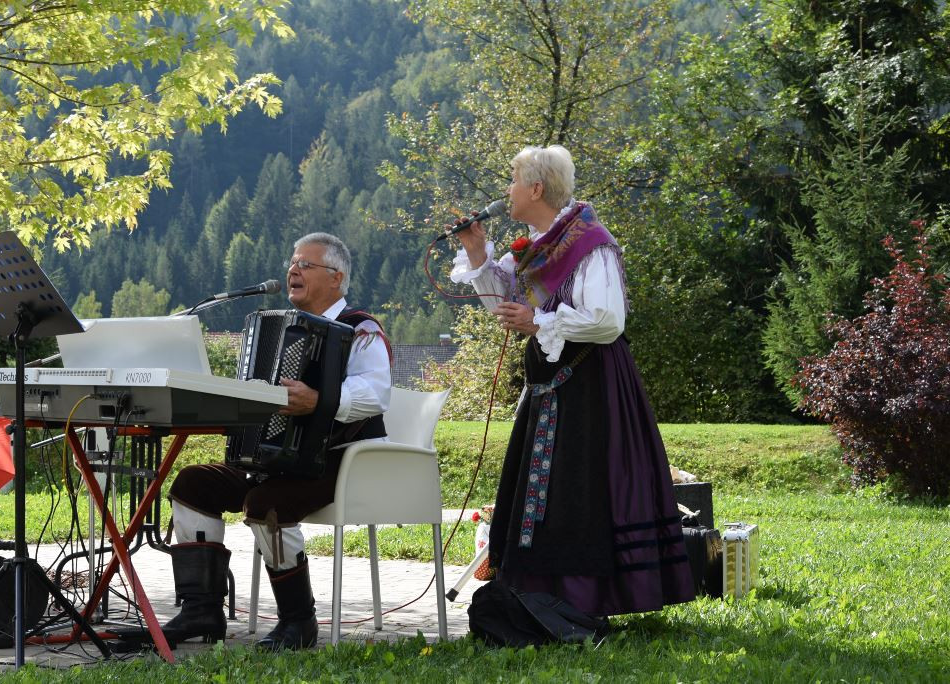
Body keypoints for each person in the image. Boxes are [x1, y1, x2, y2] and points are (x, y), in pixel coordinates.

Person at [449, 145, 694, 617]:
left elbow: (607, 320)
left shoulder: (588, 242)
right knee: (547, 490)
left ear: (536, 189)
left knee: (582, 487)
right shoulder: (535, 246)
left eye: (513, 180)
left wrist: (539, 321)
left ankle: (585, 599)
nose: (507, 191)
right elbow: (506, 307)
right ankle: (542, 593)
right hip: (548, 388)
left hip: (590, 386)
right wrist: (477, 251)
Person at [161, 232, 392, 650]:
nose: (293, 269)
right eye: (292, 262)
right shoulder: (278, 327)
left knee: (267, 503)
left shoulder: (361, 329)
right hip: (273, 460)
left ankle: (298, 621)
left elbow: (376, 394)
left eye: (306, 264)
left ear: (336, 278)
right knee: (192, 484)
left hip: (336, 461)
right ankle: (202, 611)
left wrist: (321, 402)